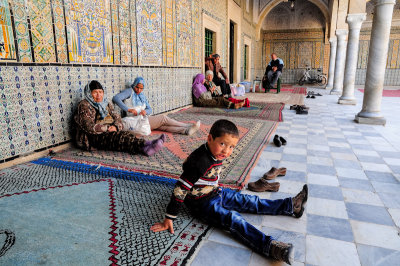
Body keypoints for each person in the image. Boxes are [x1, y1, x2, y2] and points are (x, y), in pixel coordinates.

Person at [151, 119, 308, 265]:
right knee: (233, 218)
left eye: (231, 146)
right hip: (202, 204)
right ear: (210, 138)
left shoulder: (215, 152)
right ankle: (270, 247)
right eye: (223, 144)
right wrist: (169, 218)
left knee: (250, 201)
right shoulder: (199, 162)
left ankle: (290, 206)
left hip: (216, 192)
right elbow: (180, 189)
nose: (226, 151)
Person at [74, 80, 165, 156]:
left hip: (109, 130)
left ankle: (147, 145)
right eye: (95, 92)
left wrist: (116, 127)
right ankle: (145, 146)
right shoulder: (84, 105)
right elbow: (88, 126)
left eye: (100, 92)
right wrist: (107, 128)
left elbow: (117, 117)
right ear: (89, 93)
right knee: (118, 138)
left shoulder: (106, 103)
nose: (99, 95)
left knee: (126, 134)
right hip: (92, 137)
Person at [113, 77, 200, 136]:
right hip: (134, 121)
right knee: (163, 118)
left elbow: (150, 109)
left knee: (164, 127)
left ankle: (186, 130)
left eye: (141, 88)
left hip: (143, 119)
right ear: (134, 85)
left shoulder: (142, 96)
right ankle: (187, 125)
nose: (138, 90)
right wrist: (128, 109)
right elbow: (116, 98)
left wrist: (145, 111)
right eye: (137, 87)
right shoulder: (129, 91)